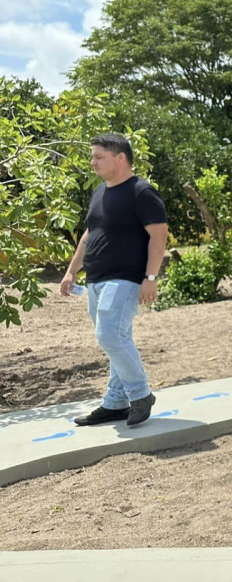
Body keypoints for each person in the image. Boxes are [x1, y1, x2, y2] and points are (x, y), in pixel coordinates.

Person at [60, 133, 168, 428]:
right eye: (93, 156)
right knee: (117, 339)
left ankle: (140, 394)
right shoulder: (99, 192)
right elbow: (88, 236)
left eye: (99, 157)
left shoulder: (141, 191)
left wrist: (150, 277)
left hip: (126, 278)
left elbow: (159, 236)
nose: (92, 162)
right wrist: (72, 271)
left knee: (109, 335)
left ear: (120, 158)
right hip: (96, 279)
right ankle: (115, 403)